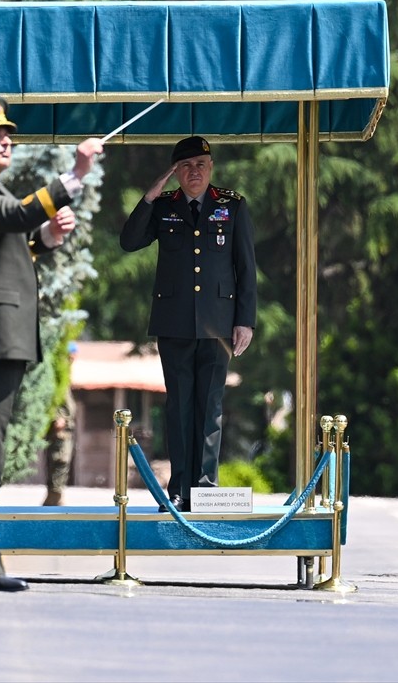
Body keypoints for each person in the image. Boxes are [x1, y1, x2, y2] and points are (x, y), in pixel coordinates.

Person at [0, 96, 103, 592]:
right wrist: (76, 174)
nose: (6, 139)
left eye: (7, 132)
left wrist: (48, 239)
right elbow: (16, 214)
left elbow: (10, 247)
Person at [119, 135, 256, 512]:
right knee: (179, 406)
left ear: (210, 168)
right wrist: (150, 196)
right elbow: (129, 241)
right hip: (175, 321)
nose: (193, 172)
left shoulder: (232, 206)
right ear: (175, 171)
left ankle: (206, 488)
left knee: (210, 405)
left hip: (218, 324)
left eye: (200, 165)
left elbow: (245, 268)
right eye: (185, 166)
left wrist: (245, 321)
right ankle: (179, 489)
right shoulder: (163, 206)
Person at [42, 342, 78, 507]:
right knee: (59, 460)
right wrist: (58, 417)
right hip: (60, 427)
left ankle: (56, 495)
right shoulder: (57, 374)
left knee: (63, 460)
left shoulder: (64, 374)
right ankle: (55, 497)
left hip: (66, 427)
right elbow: (55, 399)